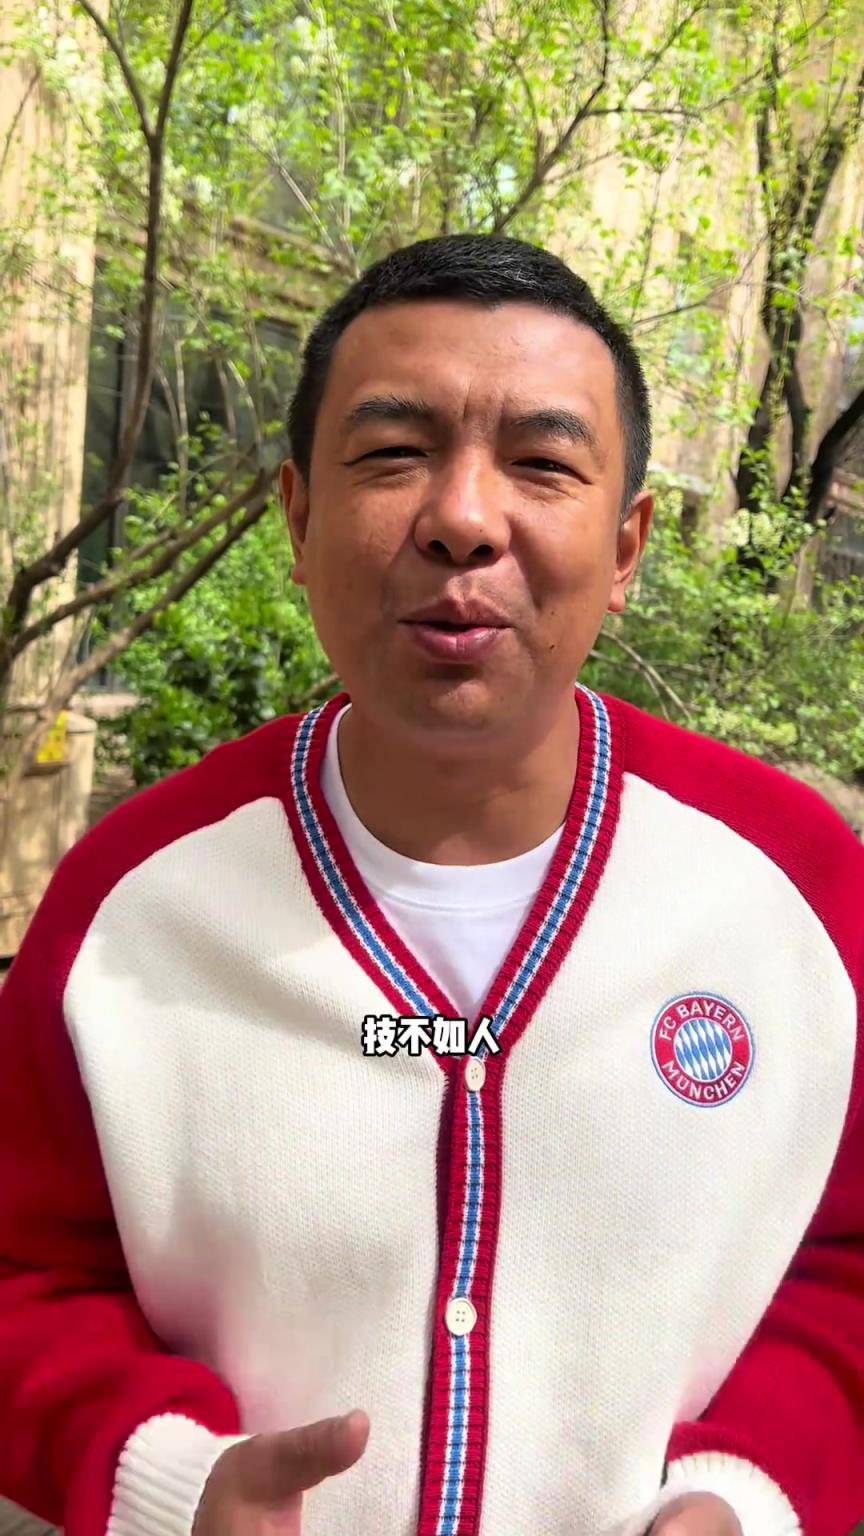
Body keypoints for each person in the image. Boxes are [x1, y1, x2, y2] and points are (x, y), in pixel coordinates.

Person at [0, 233, 862, 1536]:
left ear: (627, 546)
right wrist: (165, 1477)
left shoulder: (799, 898)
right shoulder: (133, 907)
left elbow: (847, 1273)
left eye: (542, 463)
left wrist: (750, 1492)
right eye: (394, 453)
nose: (463, 517)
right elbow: (23, 1274)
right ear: (298, 518)